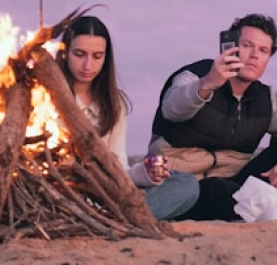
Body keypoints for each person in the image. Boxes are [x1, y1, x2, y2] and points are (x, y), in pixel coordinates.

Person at [151, 14, 277, 221]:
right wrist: (209, 83)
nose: (255, 55)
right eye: (247, 45)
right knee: (216, 188)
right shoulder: (194, 76)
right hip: (188, 183)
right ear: (230, 47)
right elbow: (172, 109)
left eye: (263, 51)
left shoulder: (267, 98)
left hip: (236, 181)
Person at [59, 12, 199, 221]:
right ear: (65, 53)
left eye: (97, 56)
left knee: (185, 184)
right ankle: (116, 217)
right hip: (61, 192)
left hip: (104, 195)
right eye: (79, 54)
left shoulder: (115, 103)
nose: (88, 65)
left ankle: (111, 218)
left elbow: (118, 168)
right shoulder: (44, 97)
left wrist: (145, 173)